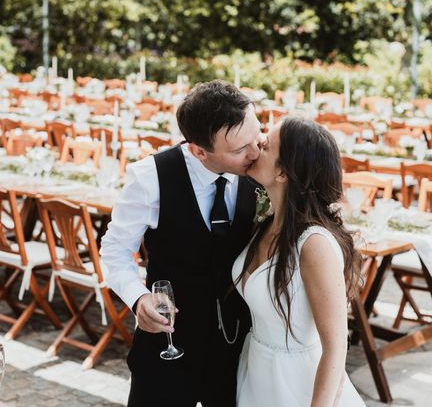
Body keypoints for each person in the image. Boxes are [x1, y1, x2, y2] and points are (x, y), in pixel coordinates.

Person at [100, 80, 264, 407]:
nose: (256, 152)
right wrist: (138, 298)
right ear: (199, 150)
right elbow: (114, 250)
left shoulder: (263, 167)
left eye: (257, 134)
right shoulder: (150, 177)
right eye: (238, 150)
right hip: (169, 343)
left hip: (241, 347)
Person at [232, 117, 366, 407]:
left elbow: (335, 347)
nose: (257, 145)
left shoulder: (314, 244)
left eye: (266, 145)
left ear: (282, 172)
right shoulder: (265, 225)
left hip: (296, 383)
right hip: (256, 370)